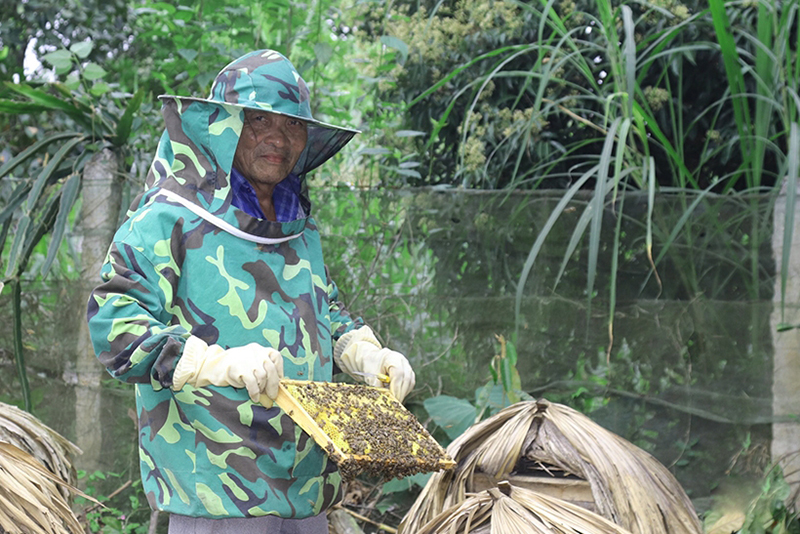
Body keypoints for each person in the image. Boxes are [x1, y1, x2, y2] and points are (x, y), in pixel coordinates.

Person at [86, 49, 415, 534]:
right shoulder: (168, 215)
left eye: (292, 125)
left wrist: (366, 353)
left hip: (306, 490)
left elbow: (325, 309)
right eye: (259, 120)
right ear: (222, 125)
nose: (278, 139)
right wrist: (214, 362)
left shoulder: (297, 226)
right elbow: (114, 324)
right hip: (216, 494)